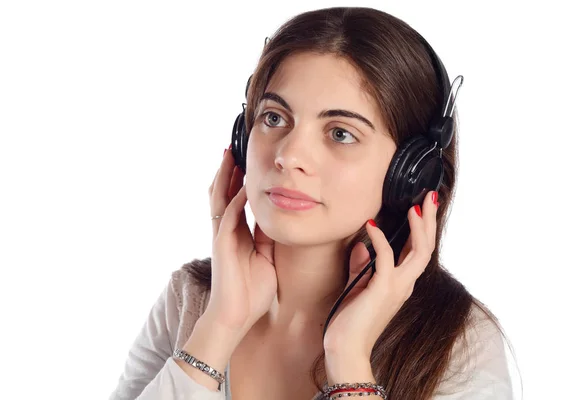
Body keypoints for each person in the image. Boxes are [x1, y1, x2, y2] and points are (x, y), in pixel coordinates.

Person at [109, 6, 515, 400]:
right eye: (273, 118)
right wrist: (219, 327)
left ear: (412, 173)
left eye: (340, 133)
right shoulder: (190, 301)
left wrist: (350, 360)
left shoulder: (458, 341)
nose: (288, 155)